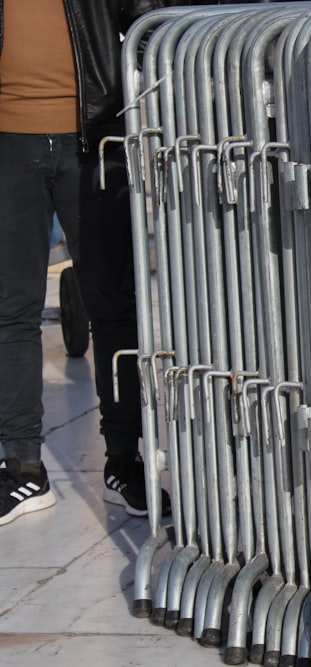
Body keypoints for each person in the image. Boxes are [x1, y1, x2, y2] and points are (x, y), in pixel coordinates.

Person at [0, 0, 170, 525]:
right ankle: (22, 465)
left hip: (92, 143)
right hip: (7, 147)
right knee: (11, 313)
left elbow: (152, 21)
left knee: (113, 307)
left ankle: (123, 460)